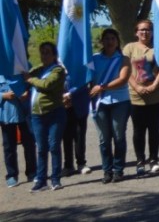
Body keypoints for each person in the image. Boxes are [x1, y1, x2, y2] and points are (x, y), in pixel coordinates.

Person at [123, 19, 159, 178]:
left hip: (157, 95)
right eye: (142, 30)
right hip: (136, 96)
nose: (145, 33)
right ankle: (140, 161)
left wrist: (154, 86)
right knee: (138, 130)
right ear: (136, 32)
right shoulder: (129, 48)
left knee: (154, 128)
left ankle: (154, 160)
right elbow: (126, 70)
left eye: (148, 30)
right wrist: (137, 87)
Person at [22, 42, 67, 192]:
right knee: (41, 148)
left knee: (54, 146)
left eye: (48, 52)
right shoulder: (39, 70)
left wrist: (30, 79)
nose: (44, 55)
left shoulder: (58, 70)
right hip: (37, 115)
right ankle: (41, 180)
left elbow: (46, 85)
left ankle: (55, 179)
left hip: (54, 113)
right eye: (42, 52)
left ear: (54, 55)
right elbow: (24, 74)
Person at [88, 28, 131, 184]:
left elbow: (123, 78)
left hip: (119, 101)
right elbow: (89, 79)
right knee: (104, 139)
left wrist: (102, 87)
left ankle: (118, 170)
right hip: (100, 103)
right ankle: (107, 170)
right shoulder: (94, 59)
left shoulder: (123, 59)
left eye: (113, 38)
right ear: (102, 41)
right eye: (106, 38)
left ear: (117, 41)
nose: (109, 41)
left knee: (118, 136)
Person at [0, 75, 36, 187]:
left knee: (29, 144)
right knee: (9, 146)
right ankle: (11, 175)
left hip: (24, 113)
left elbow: (33, 83)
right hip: (6, 114)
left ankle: (32, 172)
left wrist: (27, 92)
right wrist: (3, 95)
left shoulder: (22, 66)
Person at [61, 68, 91, 177]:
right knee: (66, 135)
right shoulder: (56, 63)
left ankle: (81, 163)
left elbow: (85, 80)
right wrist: (62, 96)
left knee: (79, 134)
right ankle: (68, 165)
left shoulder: (79, 62)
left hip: (79, 101)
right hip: (63, 103)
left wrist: (71, 94)